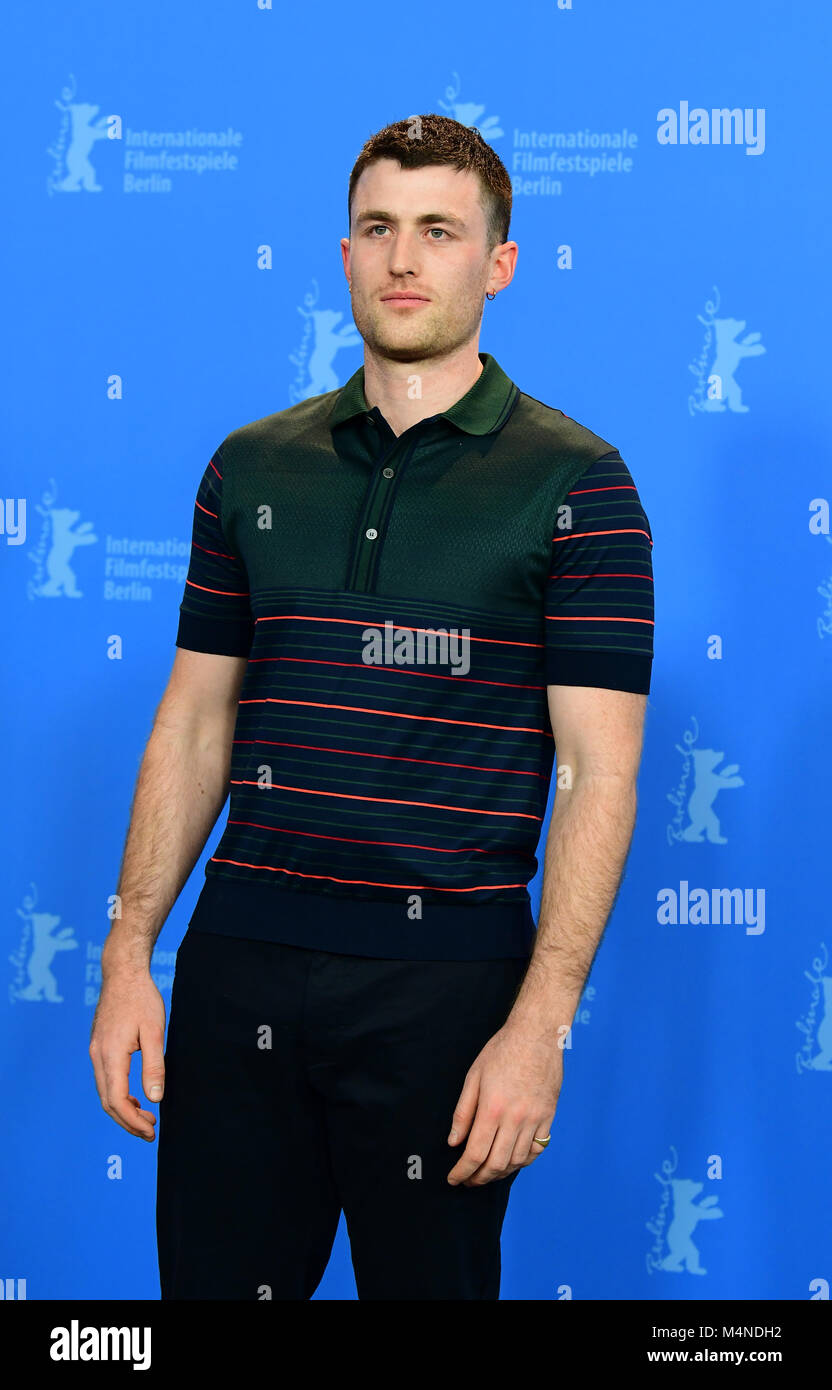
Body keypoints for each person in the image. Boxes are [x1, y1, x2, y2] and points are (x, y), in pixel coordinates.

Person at [89, 113, 654, 1300]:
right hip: (240, 964)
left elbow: (598, 774)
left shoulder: (578, 485)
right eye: (378, 227)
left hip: (445, 993)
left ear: (497, 263)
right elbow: (195, 719)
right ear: (344, 251)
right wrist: (129, 951)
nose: (403, 258)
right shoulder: (252, 464)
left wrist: (535, 1029)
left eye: (438, 231)